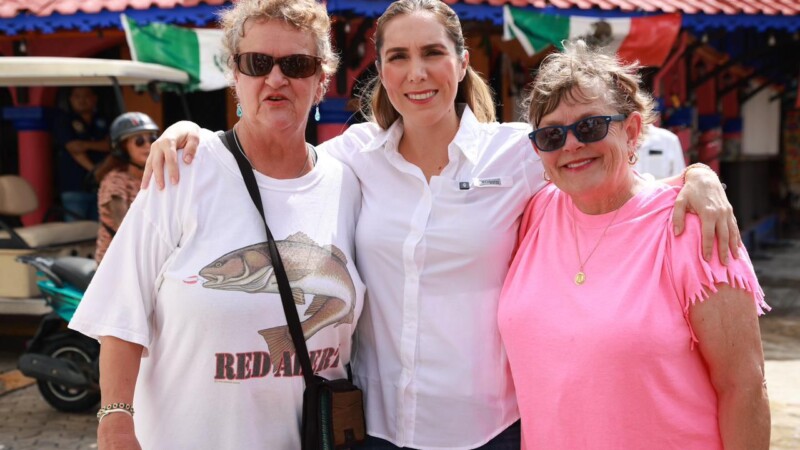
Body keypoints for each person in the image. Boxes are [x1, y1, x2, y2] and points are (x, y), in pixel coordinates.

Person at [142, 1, 738, 448]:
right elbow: (273, 160)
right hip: (375, 427)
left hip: (489, 427)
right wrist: (183, 134)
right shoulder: (352, 157)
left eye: (432, 53)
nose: (416, 72)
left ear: (461, 61)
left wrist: (697, 179)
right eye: (398, 57)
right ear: (381, 69)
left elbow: (599, 174)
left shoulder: (518, 155)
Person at [68, 1, 365, 448]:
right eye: (257, 62)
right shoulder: (184, 168)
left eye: (298, 64)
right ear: (235, 75)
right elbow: (120, 312)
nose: (276, 78)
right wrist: (115, 421)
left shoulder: (347, 184)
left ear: (322, 81)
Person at [498, 40, 770, 449]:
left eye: (589, 126)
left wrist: (697, 176)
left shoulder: (695, 230)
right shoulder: (534, 213)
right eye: (552, 135)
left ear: (632, 130)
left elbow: (743, 387)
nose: (571, 145)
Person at [93, 112, 159, 263]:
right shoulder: (115, 182)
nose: (148, 145)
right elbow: (124, 229)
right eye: (139, 141)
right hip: (117, 262)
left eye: (152, 139)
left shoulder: (159, 177)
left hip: (149, 257)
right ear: (122, 148)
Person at [52, 86, 110, 221]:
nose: (82, 100)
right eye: (77, 97)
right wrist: (95, 171)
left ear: (94, 98)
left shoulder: (104, 119)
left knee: (100, 230)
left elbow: (110, 146)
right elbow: (73, 148)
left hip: (100, 186)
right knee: (76, 233)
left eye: (86, 96)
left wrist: (84, 145)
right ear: (71, 99)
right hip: (74, 185)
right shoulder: (64, 120)